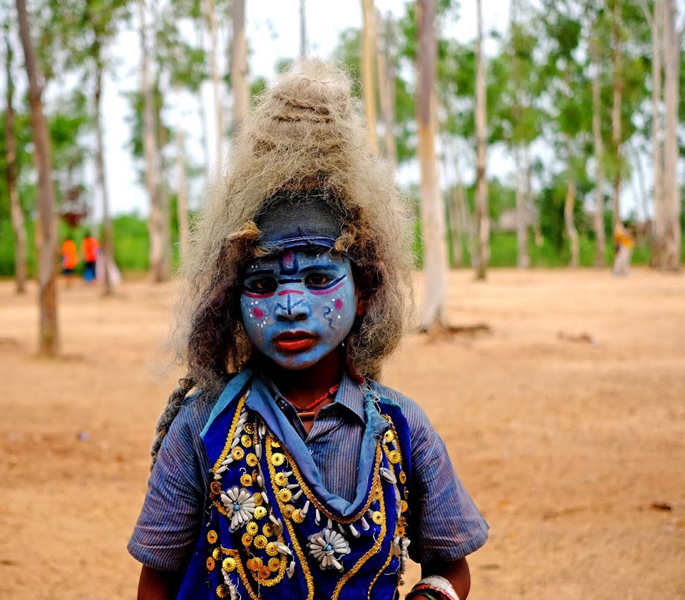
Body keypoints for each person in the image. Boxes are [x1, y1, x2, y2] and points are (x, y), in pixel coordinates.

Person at [128, 60, 488, 600]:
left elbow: (450, 566)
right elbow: (157, 581)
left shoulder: (402, 427)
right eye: (264, 283)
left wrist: (433, 594)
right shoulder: (203, 426)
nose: (291, 304)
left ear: (364, 290)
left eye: (320, 278)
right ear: (232, 299)